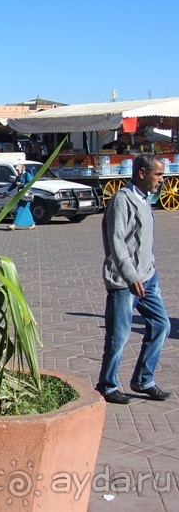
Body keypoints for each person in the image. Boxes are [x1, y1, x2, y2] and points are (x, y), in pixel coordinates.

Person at [96, 153, 171, 404]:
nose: (162, 179)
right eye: (158, 174)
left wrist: (148, 267)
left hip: (148, 278)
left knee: (161, 325)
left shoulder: (145, 198)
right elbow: (116, 241)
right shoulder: (122, 200)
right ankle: (107, 384)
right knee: (119, 335)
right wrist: (130, 275)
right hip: (125, 282)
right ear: (142, 173)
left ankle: (142, 379)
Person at [8, 164, 35, 230]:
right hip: (21, 196)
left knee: (19, 209)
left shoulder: (27, 174)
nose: (17, 171)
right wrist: (6, 191)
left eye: (18, 170)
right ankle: (32, 224)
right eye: (16, 170)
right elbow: (13, 185)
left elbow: (30, 182)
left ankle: (14, 224)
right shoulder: (19, 176)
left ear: (22, 169)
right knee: (26, 210)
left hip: (26, 196)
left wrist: (21, 184)